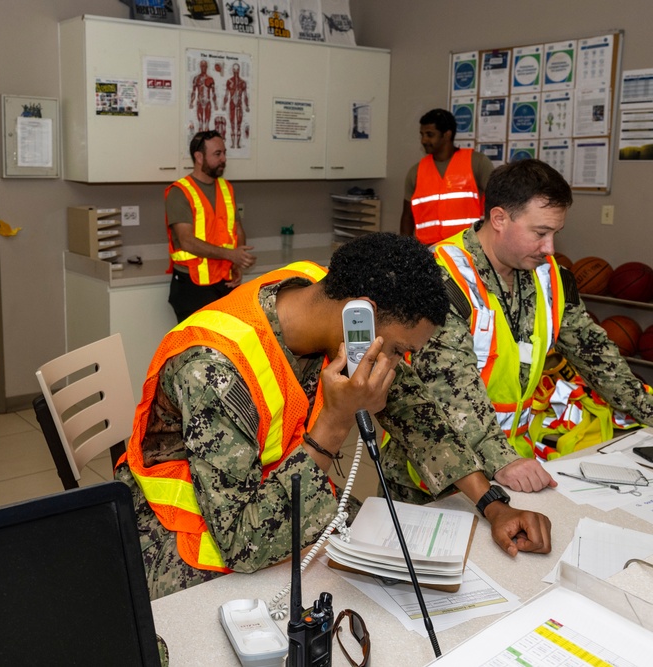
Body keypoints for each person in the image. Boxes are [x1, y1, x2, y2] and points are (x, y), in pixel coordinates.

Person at [115, 233, 450, 599]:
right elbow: (242, 542)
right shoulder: (213, 371)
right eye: (399, 350)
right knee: (329, 597)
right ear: (361, 314)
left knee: (373, 551)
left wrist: (488, 501)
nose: (397, 363)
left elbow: (412, 408)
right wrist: (336, 423)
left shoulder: (316, 291)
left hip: (264, 488)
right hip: (180, 534)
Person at [379, 159, 653, 557]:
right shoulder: (441, 277)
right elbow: (450, 389)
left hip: (510, 467)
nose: (550, 248)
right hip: (432, 474)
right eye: (540, 233)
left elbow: (598, 355)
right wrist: (501, 460)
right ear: (499, 218)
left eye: (556, 233)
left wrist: (647, 407)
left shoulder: (549, 276)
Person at [164, 129, 256, 323]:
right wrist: (231, 255)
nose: (224, 159)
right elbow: (187, 241)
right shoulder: (179, 192)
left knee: (224, 345)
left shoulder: (226, 188)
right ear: (199, 157)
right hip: (192, 286)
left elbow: (237, 228)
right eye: (217, 154)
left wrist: (236, 263)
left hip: (224, 281)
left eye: (224, 153)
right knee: (198, 348)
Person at [400, 108, 493, 245]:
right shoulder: (416, 171)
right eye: (422, 135)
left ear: (447, 135)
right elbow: (407, 217)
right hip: (429, 252)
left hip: (468, 249)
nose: (424, 140)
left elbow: (498, 203)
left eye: (430, 134)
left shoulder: (477, 163)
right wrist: (404, 250)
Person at [222, 63, 249, 149]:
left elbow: (245, 95)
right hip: (232, 105)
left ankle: (238, 144)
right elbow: (226, 95)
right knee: (233, 125)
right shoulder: (229, 82)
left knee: (239, 125)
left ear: (239, 70)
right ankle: (233, 144)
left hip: (239, 105)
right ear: (233, 70)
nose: (236, 72)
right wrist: (224, 104)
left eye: (237, 70)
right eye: (234, 70)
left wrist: (247, 106)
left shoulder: (243, 83)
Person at [189, 59, 216, 133]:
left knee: (207, 124)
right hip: (200, 101)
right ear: (200, 67)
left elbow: (213, 93)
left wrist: (215, 104)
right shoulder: (196, 78)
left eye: (205, 66)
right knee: (200, 124)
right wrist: (191, 102)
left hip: (207, 101)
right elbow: (194, 92)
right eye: (202, 66)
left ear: (207, 67)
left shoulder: (210, 79)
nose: (203, 67)